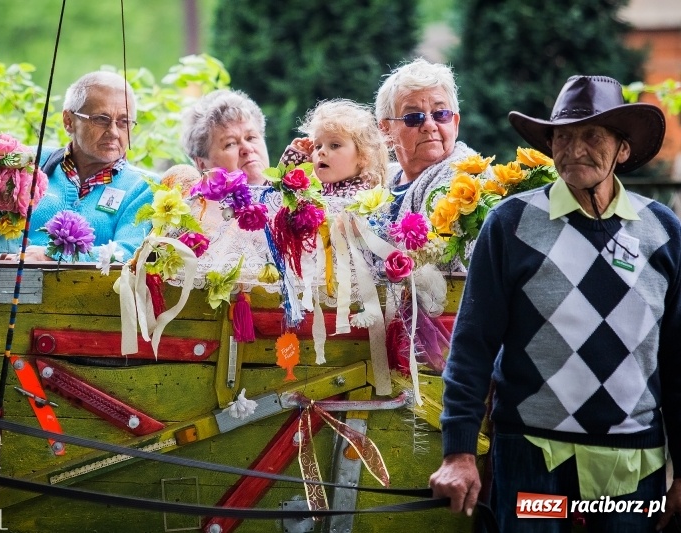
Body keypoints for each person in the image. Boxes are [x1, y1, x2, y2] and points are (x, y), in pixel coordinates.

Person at [429, 75, 681, 532]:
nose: (574, 148)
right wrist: (459, 452)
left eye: (592, 136)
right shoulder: (511, 224)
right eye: (563, 136)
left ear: (622, 150)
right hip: (534, 465)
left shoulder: (662, 230)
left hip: (632, 467)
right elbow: (472, 345)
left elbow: (679, 357)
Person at [0, 70, 156, 261]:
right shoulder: (27, 164)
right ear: (69, 121)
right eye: (101, 119)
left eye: (123, 122)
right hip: (13, 285)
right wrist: (6, 261)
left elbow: (128, 254)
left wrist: (52, 257)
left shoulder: (144, 187)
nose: (113, 132)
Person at [375, 57, 477, 222]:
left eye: (441, 114)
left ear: (455, 124)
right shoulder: (381, 179)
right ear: (386, 131)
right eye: (414, 117)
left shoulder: (470, 179)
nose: (429, 125)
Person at [279, 98, 388, 197]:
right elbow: (269, 200)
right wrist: (293, 159)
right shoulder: (319, 192)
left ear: (364, 156)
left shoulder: (358, 198)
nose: (321, 151)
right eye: (317, 146)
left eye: (335, 145)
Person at [180, 89, 271, 186]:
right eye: (230, 144)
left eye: (251, 138)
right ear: (202, 164)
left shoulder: (287, 193)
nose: (248, 149)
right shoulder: (187, 201)